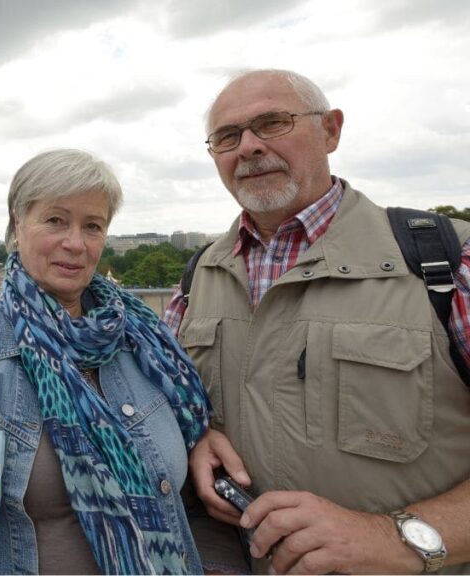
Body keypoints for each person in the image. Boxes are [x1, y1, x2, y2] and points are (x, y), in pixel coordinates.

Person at [164, 69, 470, 574]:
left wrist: (395, 537)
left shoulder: (447, 261)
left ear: (330, 130)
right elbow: (165, 401)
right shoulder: (198, 277)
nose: (249, 147)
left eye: (273, 123)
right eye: (227, 136)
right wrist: (195, 437)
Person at [0, 149, 211, 574]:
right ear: (17, 224)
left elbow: (191, 501)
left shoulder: (148, 343)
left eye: (93, 226)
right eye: (55, 220)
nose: (75, 243)